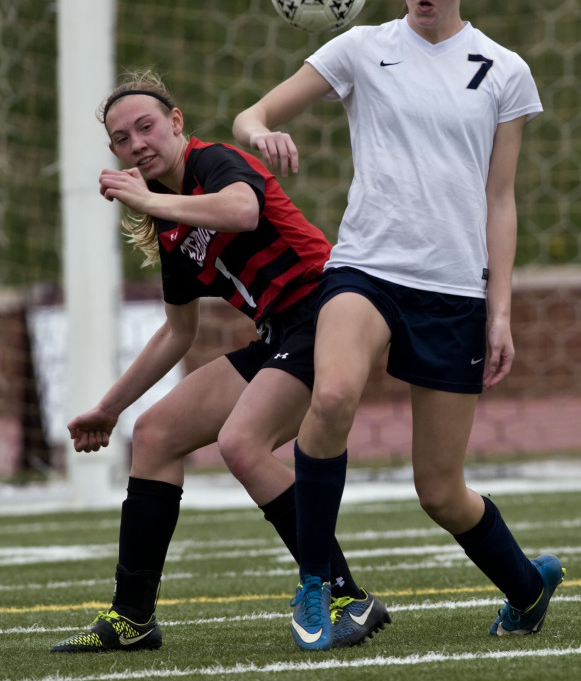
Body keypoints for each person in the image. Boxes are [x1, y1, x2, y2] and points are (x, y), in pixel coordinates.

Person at [230, 0, 565, 651]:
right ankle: (317, 583)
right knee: (333, 395)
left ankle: (525, 588)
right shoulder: (360, 48)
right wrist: (262, 133)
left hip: (455, 289)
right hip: (366, 268)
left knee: (439, 489)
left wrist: (500, 311)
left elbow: (500, 199)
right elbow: (253, 114)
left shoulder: (504, 70)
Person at [50, 70, 390, 654]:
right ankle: (131, 619)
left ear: (176, 122)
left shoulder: (214, 162)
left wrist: (149, 198)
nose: (137, 144)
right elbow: (177, 333)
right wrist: (109, 409)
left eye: (146, 127)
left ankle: (344, 596)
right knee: (155, 433)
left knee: (241, 444)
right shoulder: (170, 224)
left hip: (329, 314)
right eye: (122, 139)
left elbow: (243, 211)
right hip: (281, 333)